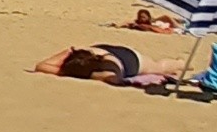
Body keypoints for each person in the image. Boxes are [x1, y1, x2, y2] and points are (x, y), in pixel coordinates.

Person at [34, 44, 181, 86]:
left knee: (159, 68)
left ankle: (180, 63)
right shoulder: (77, 52)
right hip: (105, 50)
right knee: (157, 66)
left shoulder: (107, 71)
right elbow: (40, 66)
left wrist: (62, 72)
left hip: (131, 59)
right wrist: (64, 70)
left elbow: (115, 79)